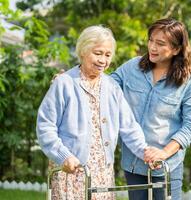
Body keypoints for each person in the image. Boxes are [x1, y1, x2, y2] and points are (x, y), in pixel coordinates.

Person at [36, 25, 148, 200]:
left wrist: (145, 151)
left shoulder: (112, 87)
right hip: (71, 173)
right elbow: (45, 126)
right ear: (83, 51)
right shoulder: (64, 83)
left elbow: (129, 126)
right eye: (98, 53)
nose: (103, 60)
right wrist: (63, 156)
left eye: (108, 55)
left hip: (102, 174)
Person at [111, 18, 191, 200]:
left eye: (160, 44)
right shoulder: (131, 67)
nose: (152, 47)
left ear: (176, 49)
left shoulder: (189, 81)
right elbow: (104, 87)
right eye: (151, 40)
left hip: (166, 166)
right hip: (134, 163)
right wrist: (73, 78)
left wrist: (164, 153)